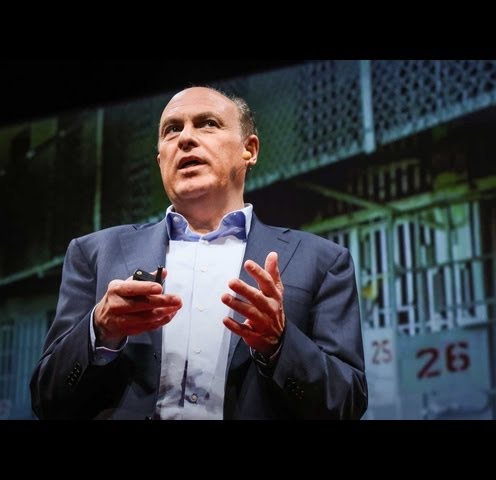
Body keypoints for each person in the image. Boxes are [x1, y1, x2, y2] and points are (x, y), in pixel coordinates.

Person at [30, 86, 368, 420]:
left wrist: (280, 344)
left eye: (208, 123)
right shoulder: (93, 253)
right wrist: (99, 329)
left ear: (249, 150)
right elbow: (47, 400)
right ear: (161, 159)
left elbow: (347, 403)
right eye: (172, 129)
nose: (185, 138)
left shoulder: (323, 261)